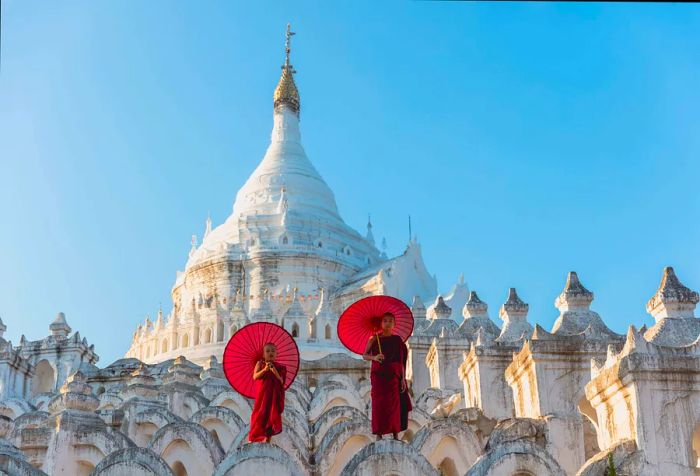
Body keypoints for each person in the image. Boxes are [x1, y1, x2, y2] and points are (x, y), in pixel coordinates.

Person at [362, 312, 412, 440]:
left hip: (393, 376)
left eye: (390, 321)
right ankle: (379, 433)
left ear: (394, 324)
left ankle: (395, 432)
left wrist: (403, 379)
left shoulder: (397, 341)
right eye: (385, 320)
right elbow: (364, 355)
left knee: (394, 405)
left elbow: (401, 361)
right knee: (379, 404)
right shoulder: (374, 339)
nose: (388, 323)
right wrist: (375, 357)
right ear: (381, 323)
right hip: (379, 377)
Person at [249, 342, 287, 443]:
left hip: (274, 395)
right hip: (263, 394)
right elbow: (255, 376)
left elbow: (281, 381)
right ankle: (254, 437)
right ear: (263, 354)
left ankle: (268, 439)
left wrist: (274, 371)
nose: (270, 353)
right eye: (268, 351)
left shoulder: (280, 367)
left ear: (276, 354)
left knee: (272, 415)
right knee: (260, 414)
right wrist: (265, 369)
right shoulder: (260, 364)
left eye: (273, 351)